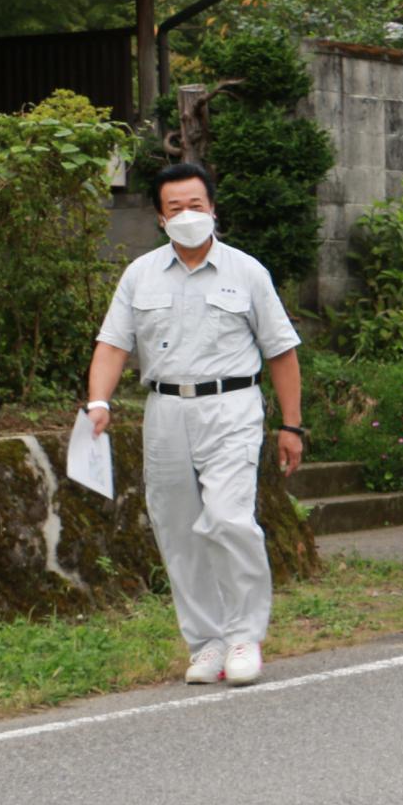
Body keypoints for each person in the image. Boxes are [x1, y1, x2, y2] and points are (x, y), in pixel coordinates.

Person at [84, 161, 304, 687]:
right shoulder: (139, 275)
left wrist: (292, 427)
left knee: (229, 518)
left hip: (231, 406)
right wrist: (98, 402)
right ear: (160, 219)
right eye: (175, 208)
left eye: (196, 205)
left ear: (213, 209)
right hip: (165, 410)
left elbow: (281, 352)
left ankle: (245, 635)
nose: (187, 215)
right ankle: (206, 643)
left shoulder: (247, 272)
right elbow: (113, 344)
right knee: (178, 529)